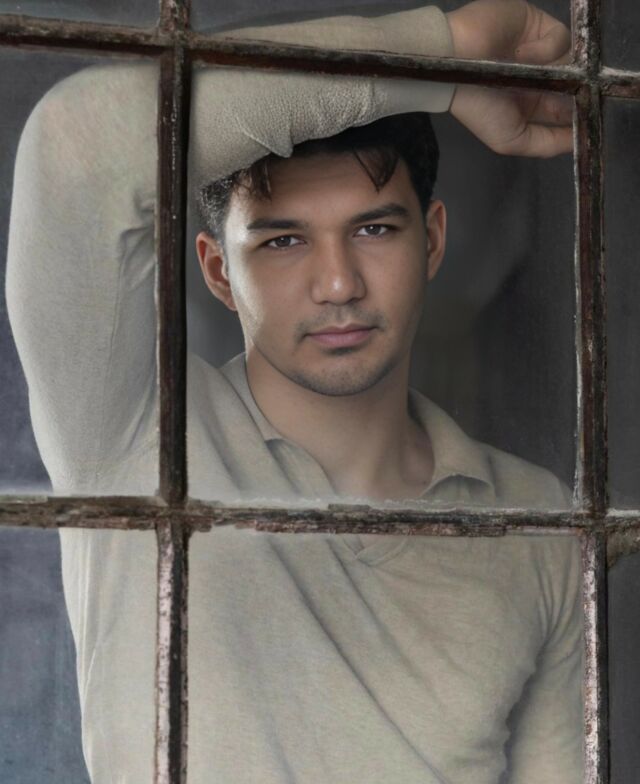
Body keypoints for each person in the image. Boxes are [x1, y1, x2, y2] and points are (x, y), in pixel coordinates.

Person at [6, 2, 582, 782]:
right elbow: (79, 142)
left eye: (374, 230)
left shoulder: (539, 522)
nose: (338, 283)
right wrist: (443, 56)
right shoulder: (135, 436)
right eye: (283, 241)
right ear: (218, 271)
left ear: (433, 241)